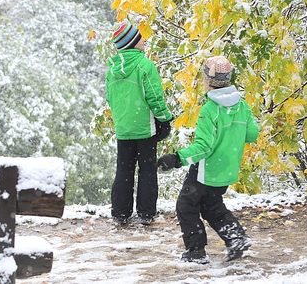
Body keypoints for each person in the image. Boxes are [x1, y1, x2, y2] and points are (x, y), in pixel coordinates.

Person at [157, 55, 259, 263]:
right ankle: (236, 238)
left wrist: (176, 158)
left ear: (206, 81)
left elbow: (204, 148)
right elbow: (252, 135)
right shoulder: (242, 106)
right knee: (212, 206)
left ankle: (196, 252)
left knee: (186, 206)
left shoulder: (209, 110)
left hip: (206, 171)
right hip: (227, 169)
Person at [105, 22, 174, 226]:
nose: (144, 40)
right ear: (133, 42)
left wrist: (122, 118)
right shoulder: (145, 66)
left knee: (124, 170)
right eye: (140, 37)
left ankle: (120, 212)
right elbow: (154, 96)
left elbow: (110, 99)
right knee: (147, 169)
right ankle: (145, 213)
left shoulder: (111, 70)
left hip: (123, 128)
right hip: (145, 128)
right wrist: (165, 120)